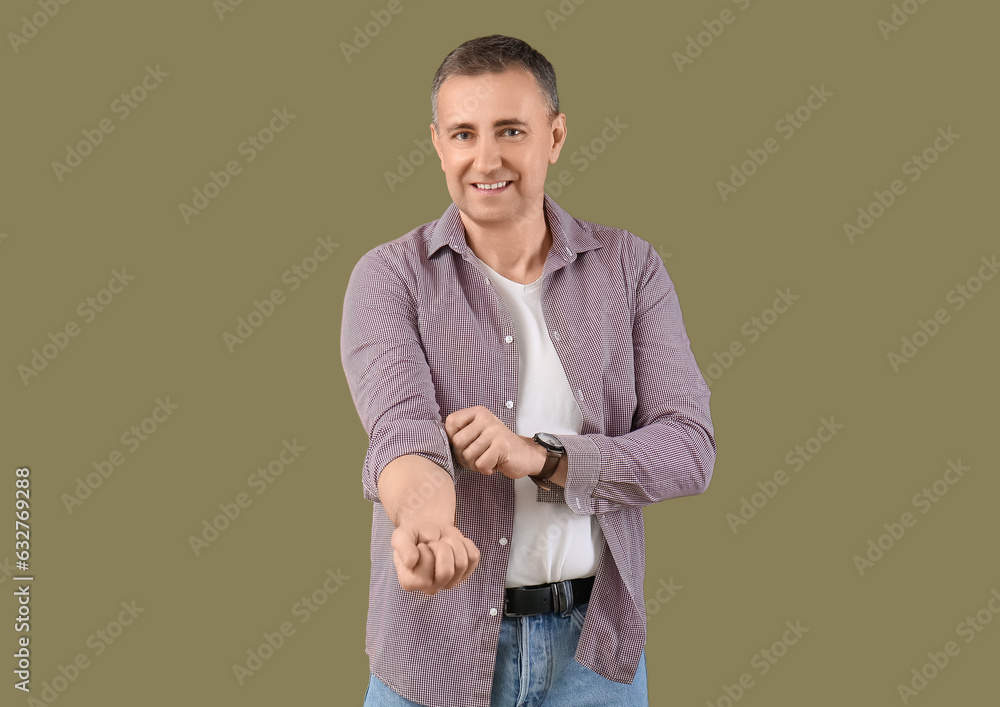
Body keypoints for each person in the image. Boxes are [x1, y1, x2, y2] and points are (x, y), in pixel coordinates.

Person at [341, 34, 716, 707]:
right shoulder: (390, 277)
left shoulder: (630, 268)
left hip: (593, 656)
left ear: (555, 135)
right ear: (437, 143)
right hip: (433, 653)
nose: (486, 159)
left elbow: (689, 448)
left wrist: (541, 456)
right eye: (463, 134)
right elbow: (400, 429)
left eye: (511, 130)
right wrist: (424, 520)